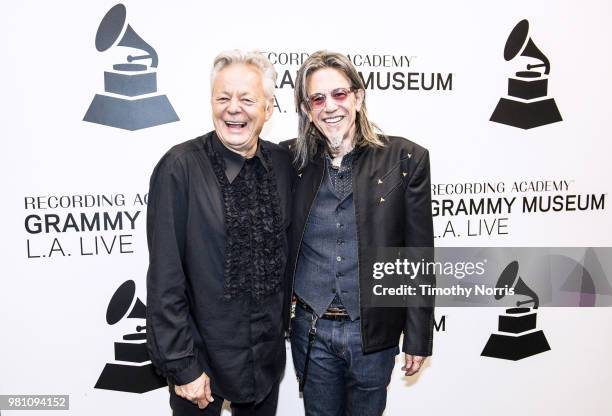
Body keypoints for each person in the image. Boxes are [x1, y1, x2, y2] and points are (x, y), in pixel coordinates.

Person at [282, 50, 435, 416]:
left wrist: (418, 335)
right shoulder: (289, 162)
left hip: (372, 333)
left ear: (358, 96)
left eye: (339, 94)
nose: (330, 106)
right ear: (306, 109)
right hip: (311, 330)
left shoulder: (405, 159)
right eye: (317, 98)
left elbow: (417, 255)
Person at [146, 50, 291, 416]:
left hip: (265, 362)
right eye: (223, 98)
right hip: (201, 365)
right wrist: (183, 366)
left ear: (269, 108)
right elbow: (165, 277)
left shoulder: (283, 165)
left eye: (247, 99)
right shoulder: (180, 168)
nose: (233, 108)